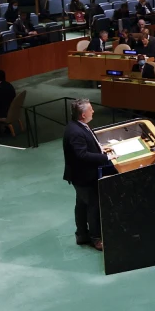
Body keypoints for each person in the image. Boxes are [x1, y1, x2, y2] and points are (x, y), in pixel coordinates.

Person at [62, 100, 112, 251]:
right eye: (91, 110)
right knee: (93, 206)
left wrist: (101, 149)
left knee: (82, 205)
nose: (93, 111)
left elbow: (86, 146)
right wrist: (106, 158)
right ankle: (96, 239)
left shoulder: (78, 125)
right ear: (83, 115)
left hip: (81, 175)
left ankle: (82, 234)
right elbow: (82, 155)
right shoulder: (75, 132)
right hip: (83, 176)